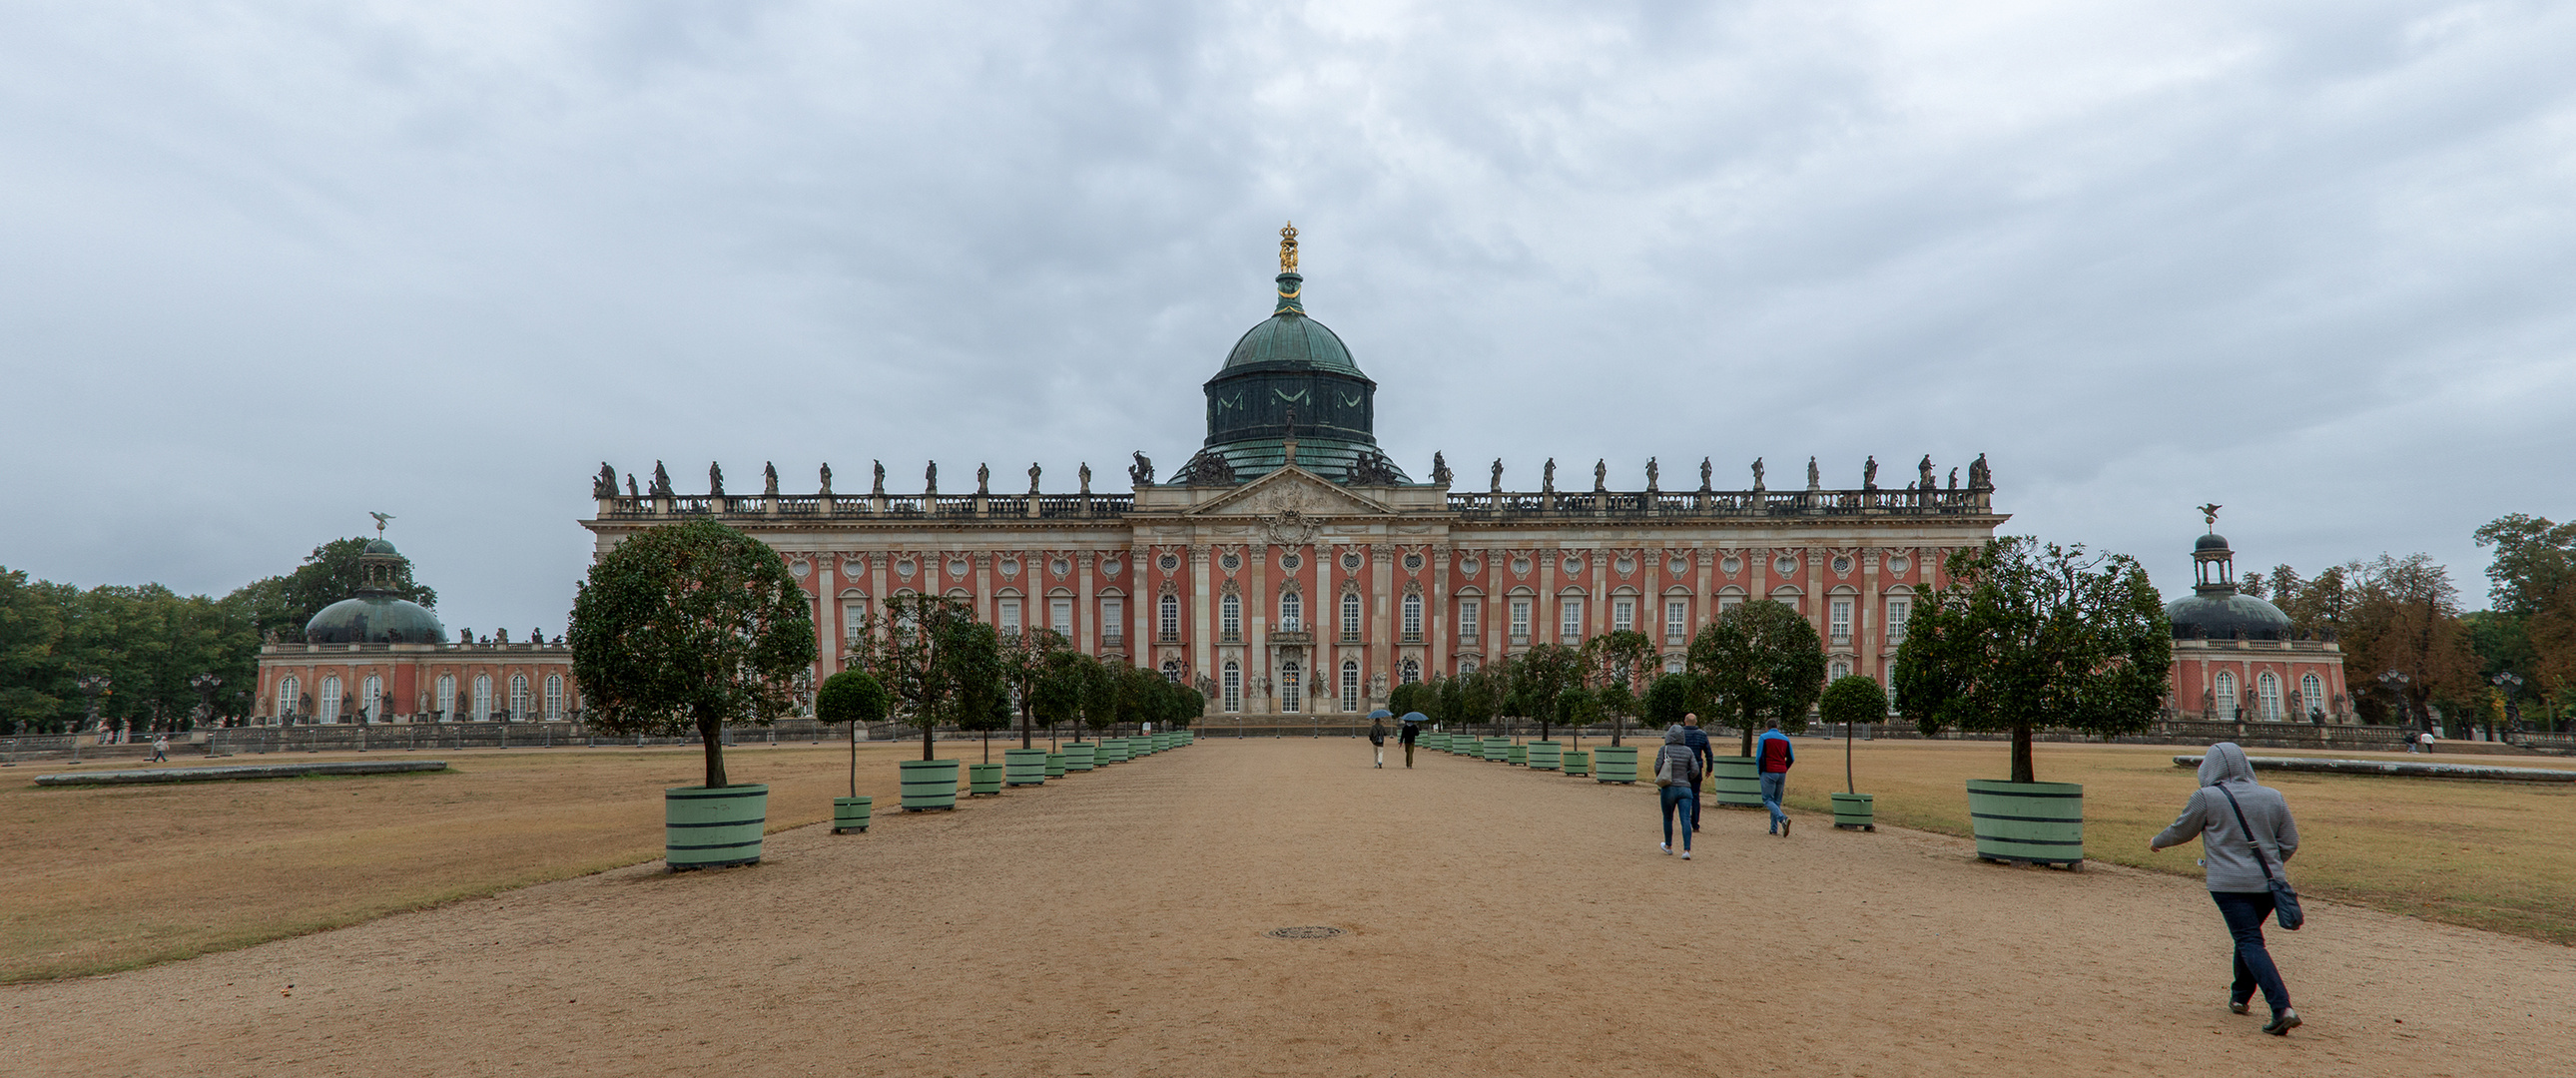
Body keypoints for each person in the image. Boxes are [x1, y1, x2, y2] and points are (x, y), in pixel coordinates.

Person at [2150, 742, 2302, 1035]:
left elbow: (2182, 830)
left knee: (2248, 940)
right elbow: (2290, 842)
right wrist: (2269, 863)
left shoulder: (2207, 797)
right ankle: (2240, 997)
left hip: (2228, 884)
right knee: (2248, 936)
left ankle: (2282, 1007)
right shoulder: (2273, 796)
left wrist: (2157, 842)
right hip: (2267, 883)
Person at [1655, 725, 1702, 859]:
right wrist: (1686, 777)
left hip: (1668, 787)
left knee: (1668, 817)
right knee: (1686, 819)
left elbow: (1657, 767)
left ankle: (1669, 846)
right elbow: (1695, 770)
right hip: (1685, 788)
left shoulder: (1664, 749)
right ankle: (1686, 850)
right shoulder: (1688, 751)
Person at [1755, 719, 1794, 835]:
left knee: (1767, 800)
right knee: (1776, 801)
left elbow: (1759, 757)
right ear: (1777, 726)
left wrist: (1760, 771)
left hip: (1768, 771)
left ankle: (1783, 819)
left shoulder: (1763, 737)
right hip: (1781, 772)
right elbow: (1791, 758)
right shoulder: (1785, 739)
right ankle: (1774, 829)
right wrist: (1784, 768)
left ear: (1767, 727)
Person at [1681, 714, 1712, 832]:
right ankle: (1695, 823)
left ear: (1685, 721)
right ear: (1696, 722)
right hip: (1697, 767)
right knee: (1695, 796)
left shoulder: (1681, 734)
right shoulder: (1702, 734)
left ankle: (1685, 820)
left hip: (1683, 768)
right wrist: (1709, 768)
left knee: (1682, 795)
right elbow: (1708, 753)